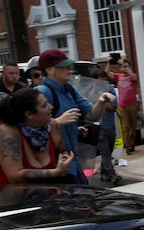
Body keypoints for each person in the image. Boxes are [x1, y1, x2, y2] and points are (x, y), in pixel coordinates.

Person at [35, 49, 115, 184]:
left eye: (69, 66)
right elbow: (31, 128)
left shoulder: (69, 89)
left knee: (82, 197)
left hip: (72, 159)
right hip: (55, 163)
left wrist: (101, 101)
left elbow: (92, 115)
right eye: (64, 66)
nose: (69, 69)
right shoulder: (42, 92)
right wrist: (58, 122)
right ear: (49, 70)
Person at [0, 87, 74, 184]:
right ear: (29, 114)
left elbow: (61, 153)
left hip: (35, 189)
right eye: (44, 105)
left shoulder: (52, 126)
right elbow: (14, 176)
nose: (51, 107)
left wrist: (63, 161)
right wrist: (56, 172)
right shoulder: (7, 133)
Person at [90, 67, 121, 185]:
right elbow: (89, 107)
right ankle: (112, 173)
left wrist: (103, 102)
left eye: (104, 79)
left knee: (110, 149)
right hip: (99, 125)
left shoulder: (110, 89)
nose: (102, 81)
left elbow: (114, 107)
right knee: (105, 151)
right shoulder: (92, 91)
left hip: (110, 125)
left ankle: (104, 172)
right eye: (99, 79)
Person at [106, 55, 140, 155]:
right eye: (121, 66)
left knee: (133, 126)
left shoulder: (132, 76)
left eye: (125, 66)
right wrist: (108, 62)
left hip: (132, 104)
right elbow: (108, 73)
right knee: (125, 126)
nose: (123, 68)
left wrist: (125, 65)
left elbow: (134, 77)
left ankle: (132, 143)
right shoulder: (118, 76)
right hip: (122, 105)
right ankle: (128, 146)